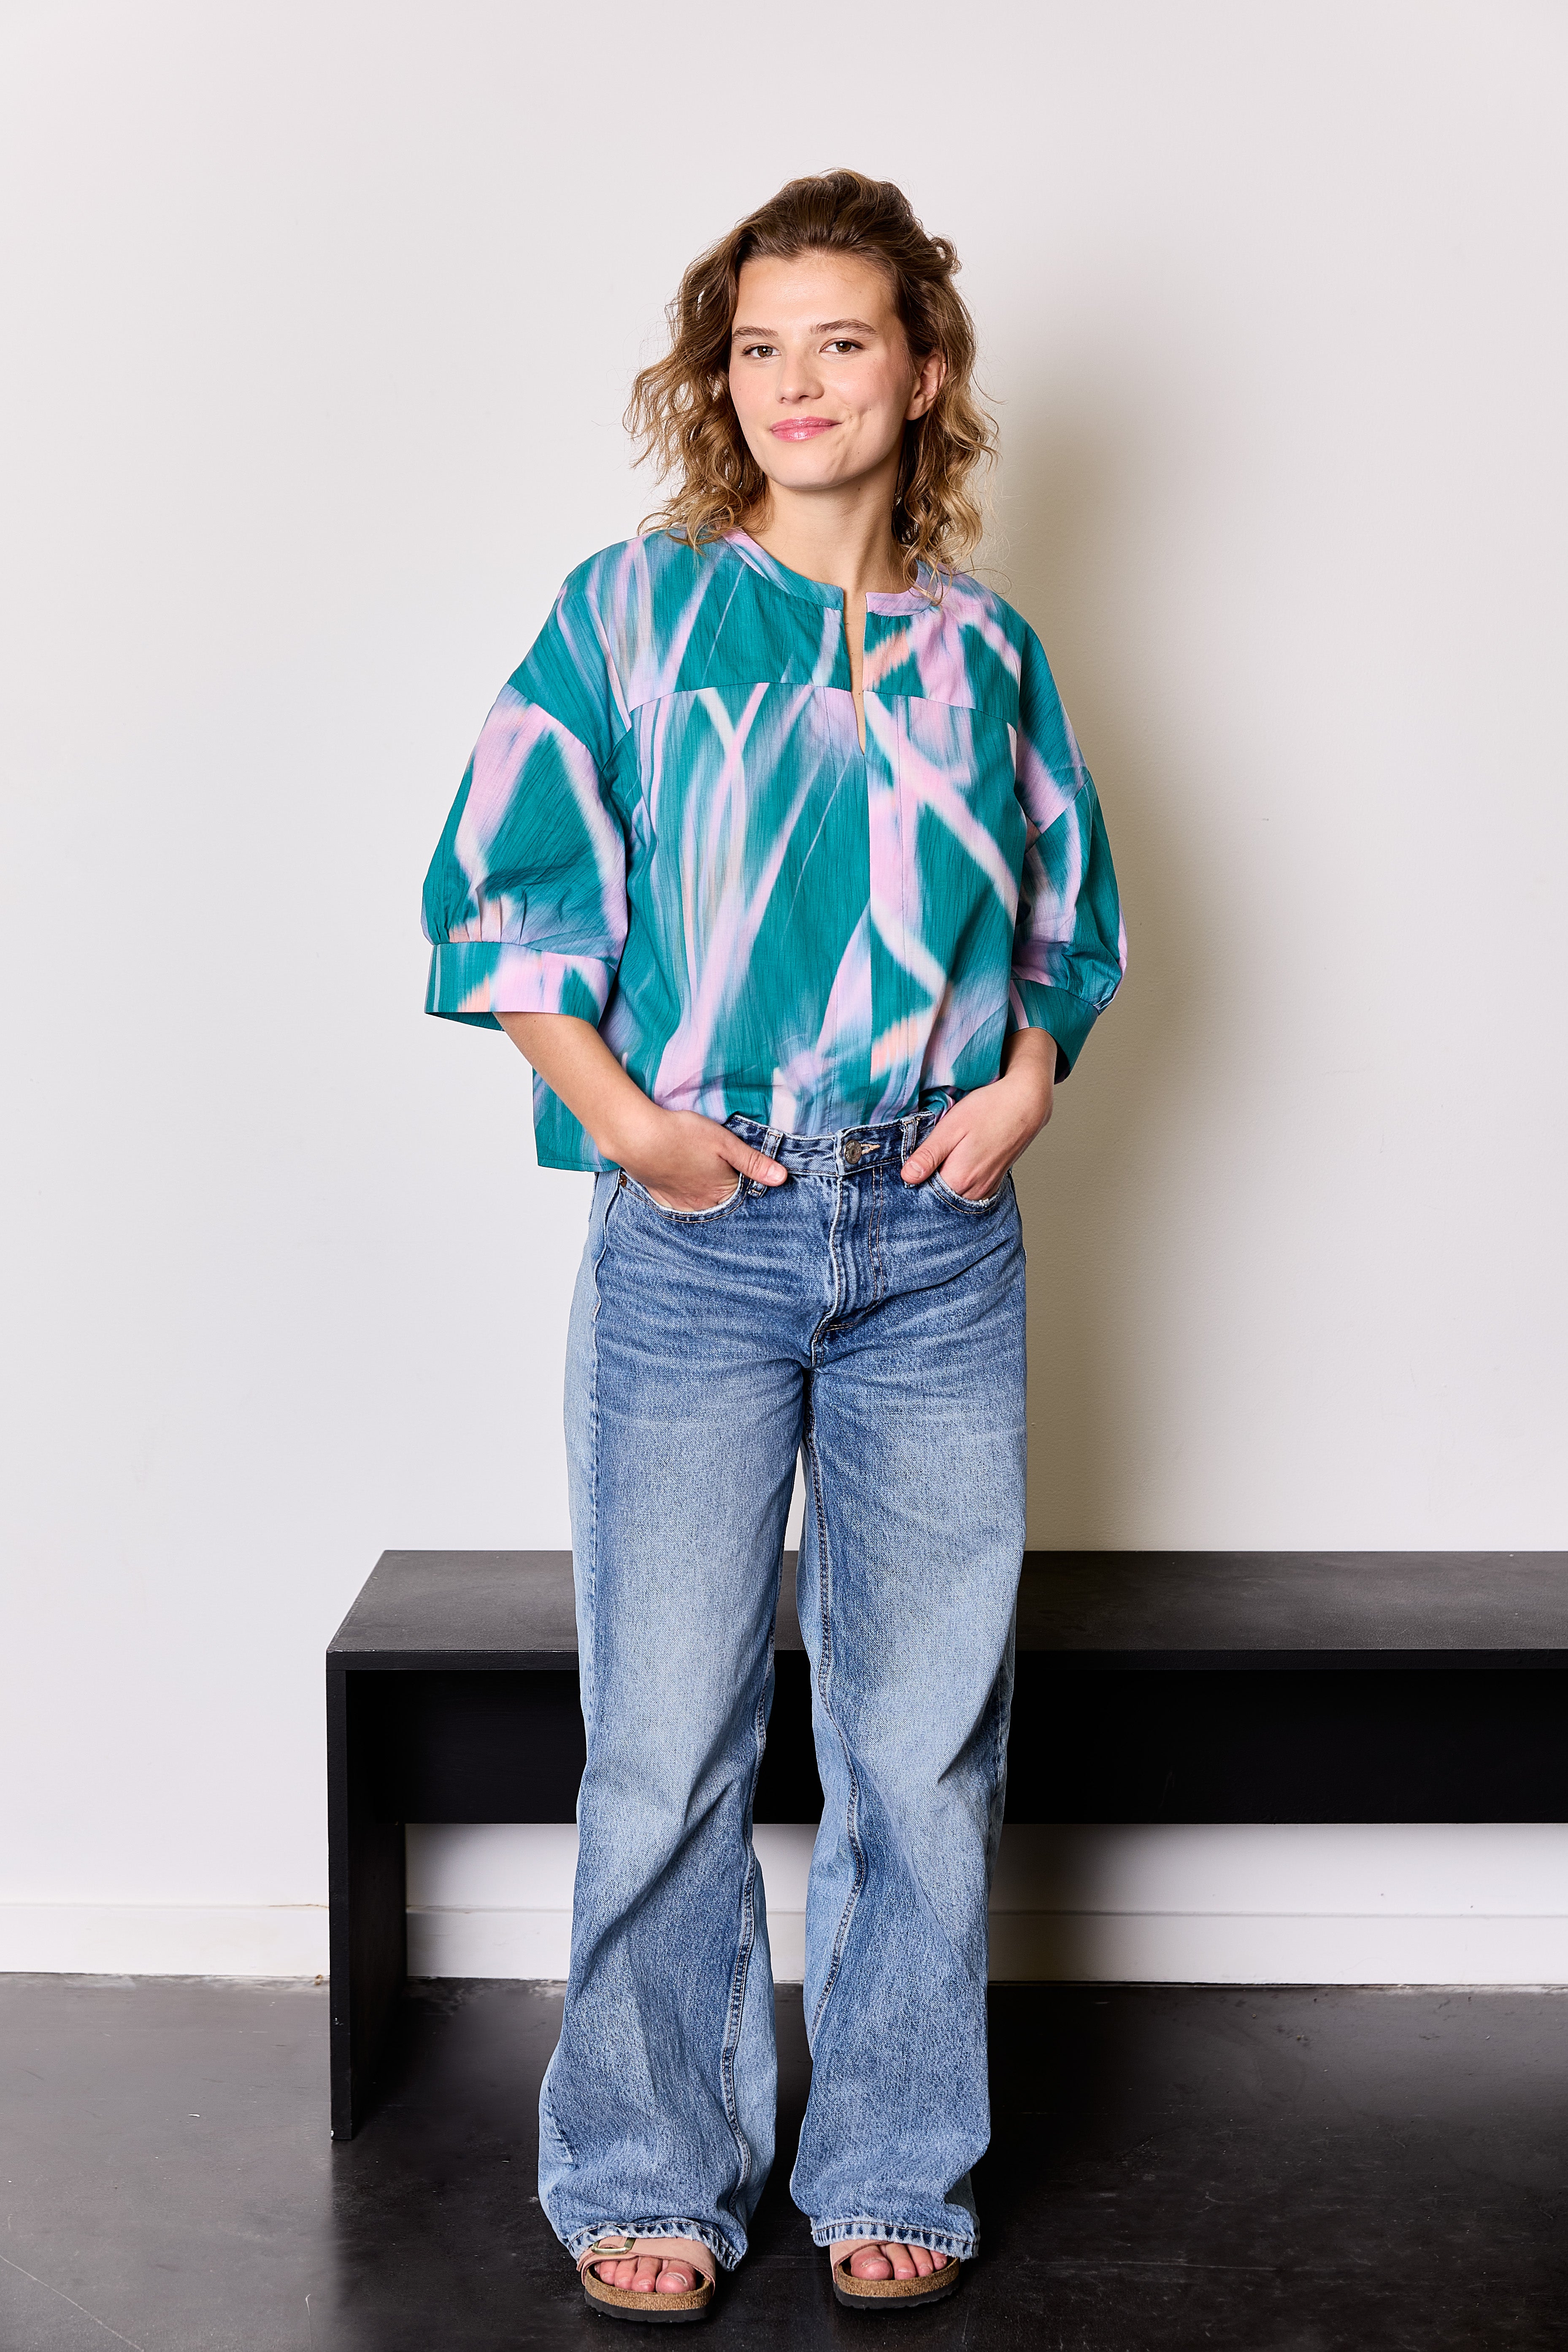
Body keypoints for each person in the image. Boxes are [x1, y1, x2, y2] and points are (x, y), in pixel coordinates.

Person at [421, 168, 1124, 2322]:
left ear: (921, 367)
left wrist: (1023, 1083)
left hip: (934, 1238)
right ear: (715, 378)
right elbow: (500, 894)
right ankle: (649, 2159)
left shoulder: (987, 653)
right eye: (755, 346)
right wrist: (634, 1130)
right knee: (664, 1734)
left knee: (920, 1741)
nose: (794, 383)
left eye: (838, 340)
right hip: (699, 1234)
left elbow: (1064, 921)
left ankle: (894, 2156)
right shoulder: (632, 612)